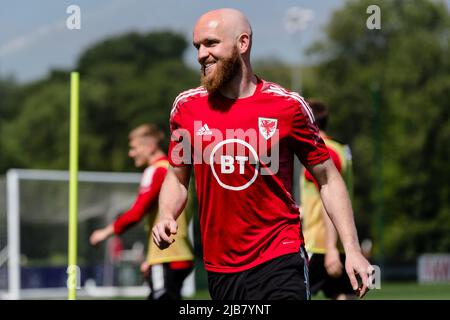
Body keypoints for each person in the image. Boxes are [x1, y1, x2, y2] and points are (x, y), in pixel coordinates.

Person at [152, 8, 372, 300]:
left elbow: (328, 178)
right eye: (198, 46)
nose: (201, 54)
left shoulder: (288, 107)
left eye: (211, 43)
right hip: (220, 267)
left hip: (279, 255)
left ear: (242, 43)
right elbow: (177, 177)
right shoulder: (186, 108)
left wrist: (352, 251)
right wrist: (167, 214)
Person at [89, 124, 194, 300]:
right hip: (181, 255)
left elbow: (137, 212)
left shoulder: (156, 171)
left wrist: (104, 232)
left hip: (166, 258)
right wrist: (150, 259)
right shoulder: (178, 170)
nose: (131, 153)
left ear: (151, 146)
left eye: (134, 148)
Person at [300, 99, 357, 300]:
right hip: (338, 241)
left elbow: (328, 203)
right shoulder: (340, 149)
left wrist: (330, 248)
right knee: (343, 295)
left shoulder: (321, 151)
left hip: (320, 244)